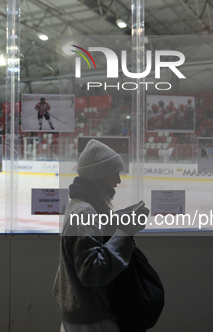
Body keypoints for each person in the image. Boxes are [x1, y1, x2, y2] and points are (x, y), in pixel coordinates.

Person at [53, 139, 149, 331]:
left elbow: (91, 240)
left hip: (86, 312)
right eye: (115, 173)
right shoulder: (83, 212)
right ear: (100, 175)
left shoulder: (85, 207)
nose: (119, 180)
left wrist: (116, 221)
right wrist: (125, 232)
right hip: (90, 320)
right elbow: (91, 271)